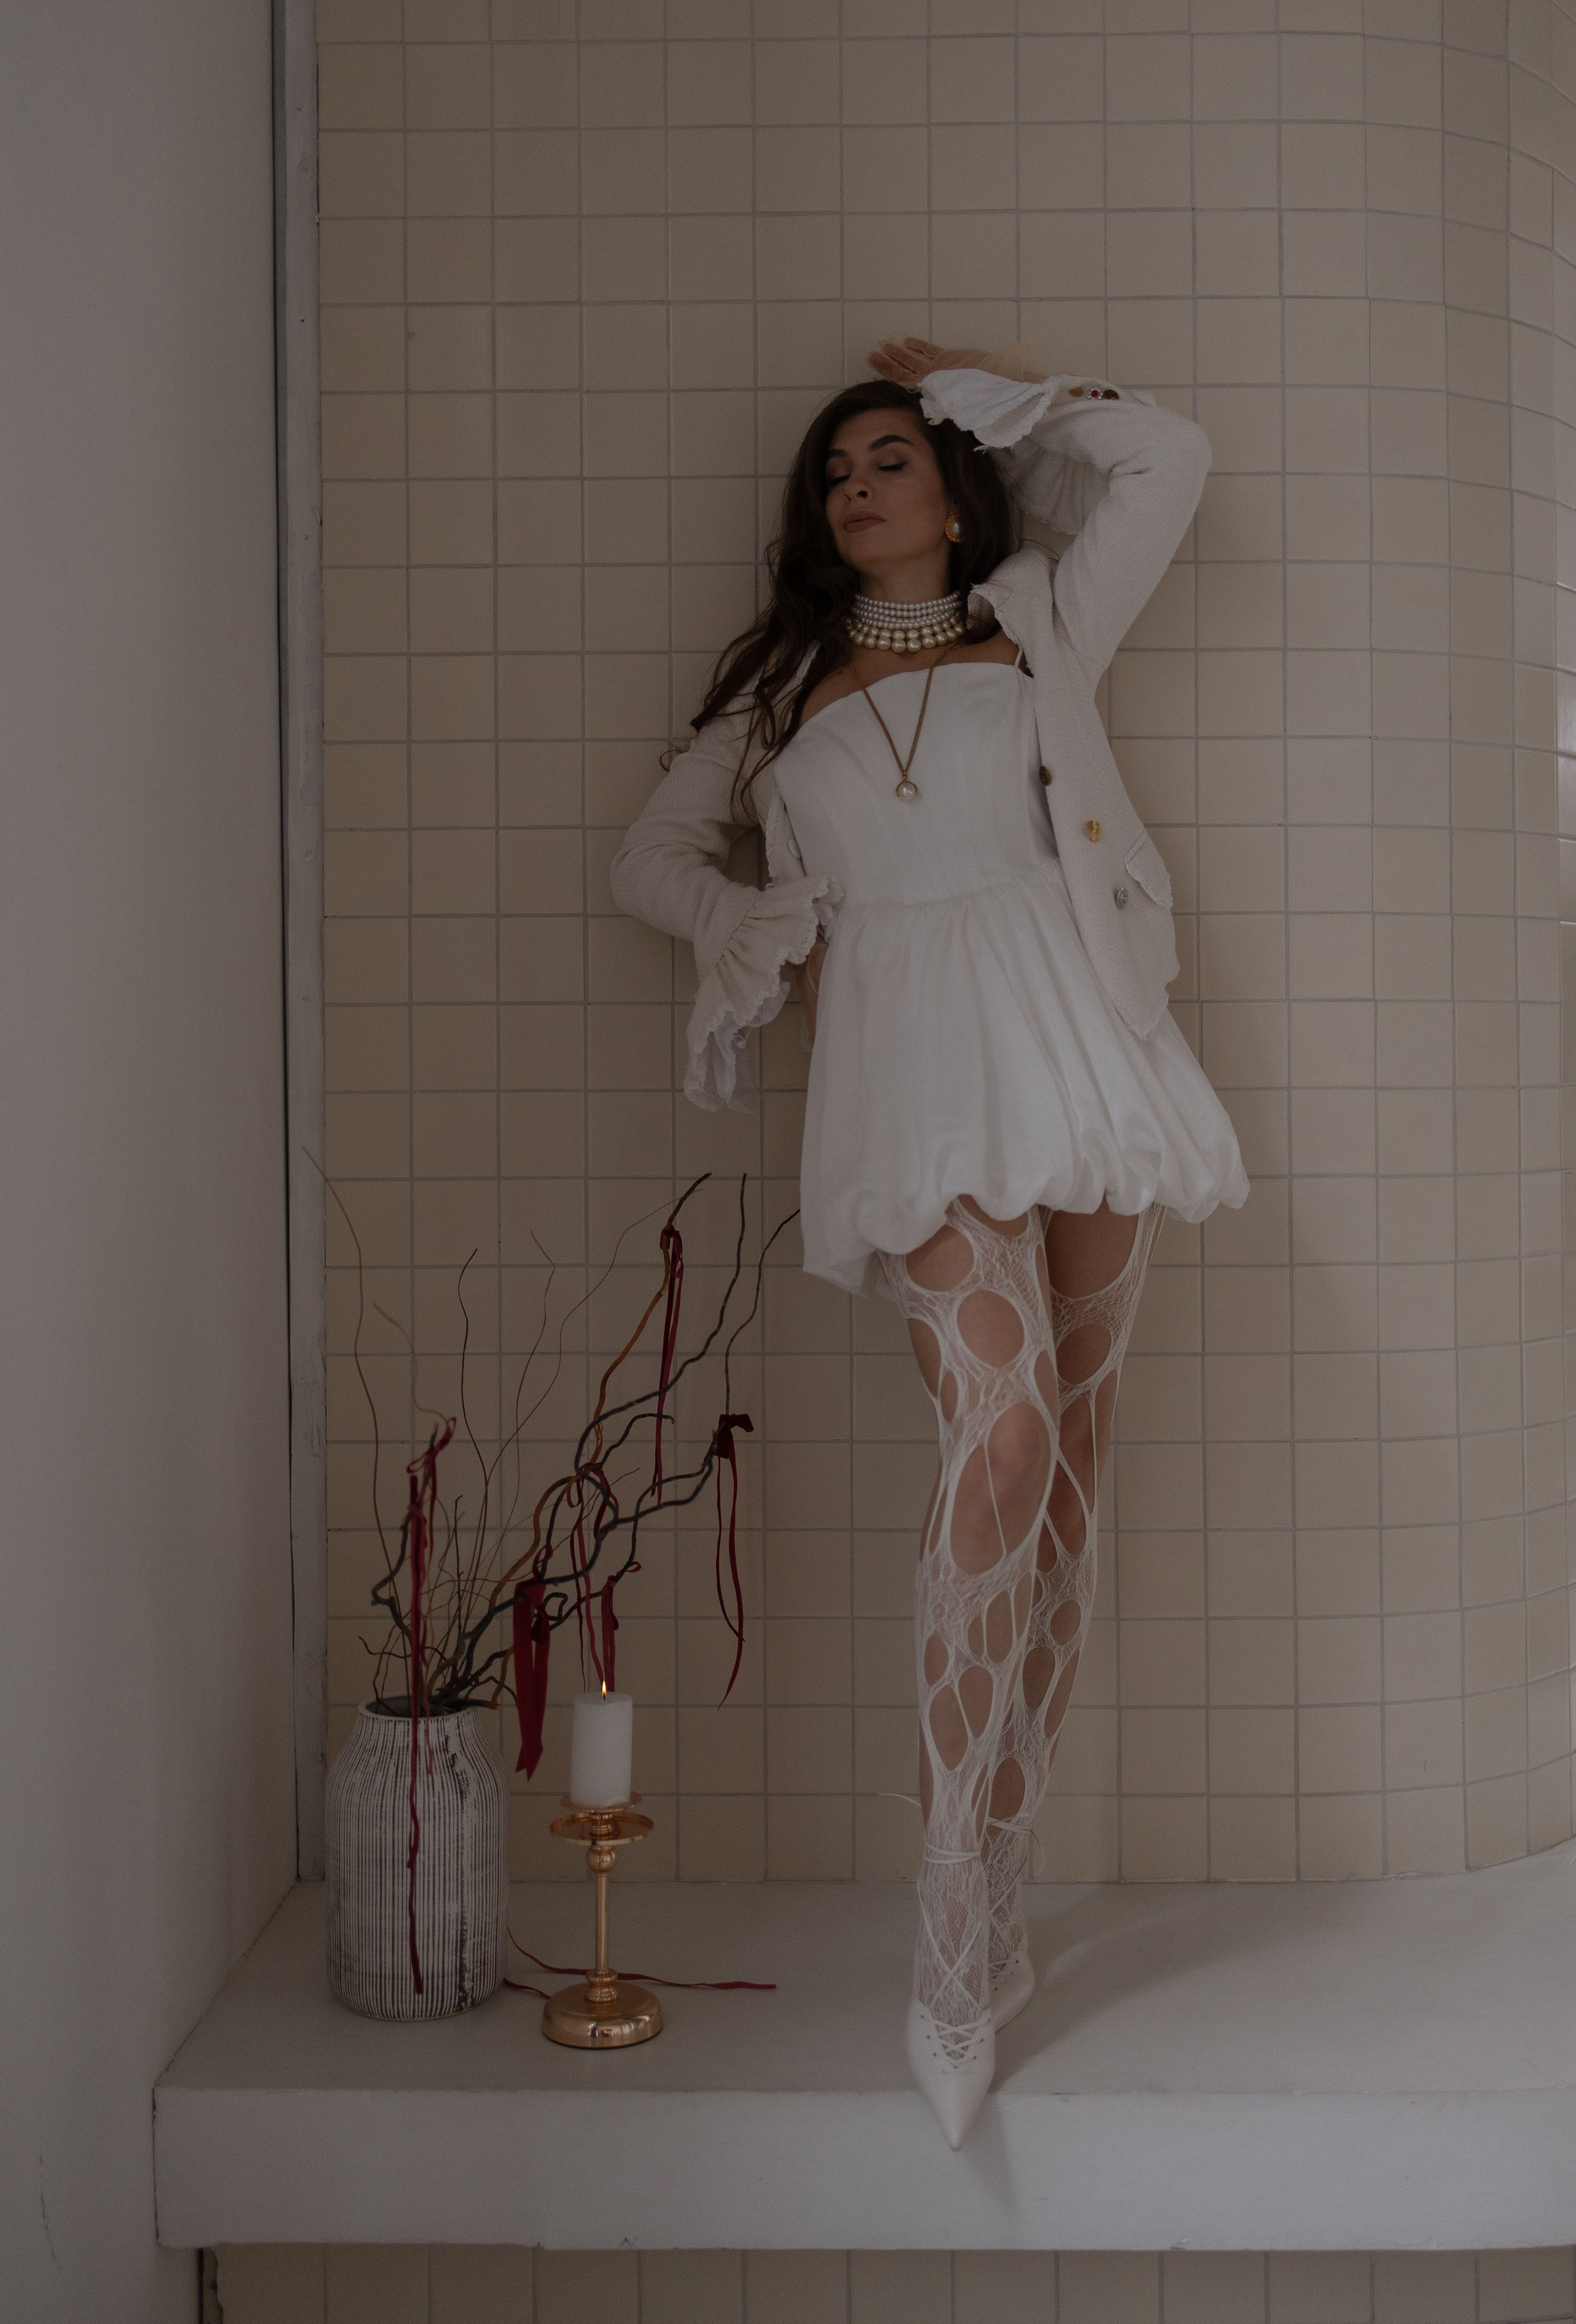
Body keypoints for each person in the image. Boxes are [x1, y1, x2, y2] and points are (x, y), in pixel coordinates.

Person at [611, 336, 1247, 2147]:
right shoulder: (779, 691)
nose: (858, 488)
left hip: (1079, 1031)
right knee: (1007, 1433)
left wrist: (995, 387)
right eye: (836, 473)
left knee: (1071, 1479)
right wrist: (765, 927)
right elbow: (649, 862)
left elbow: (1171, 456)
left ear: (955, 487)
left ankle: (1007, 1861)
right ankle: (950, 1901)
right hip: (907, 1062)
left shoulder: (1038, 615)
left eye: (891, 458)